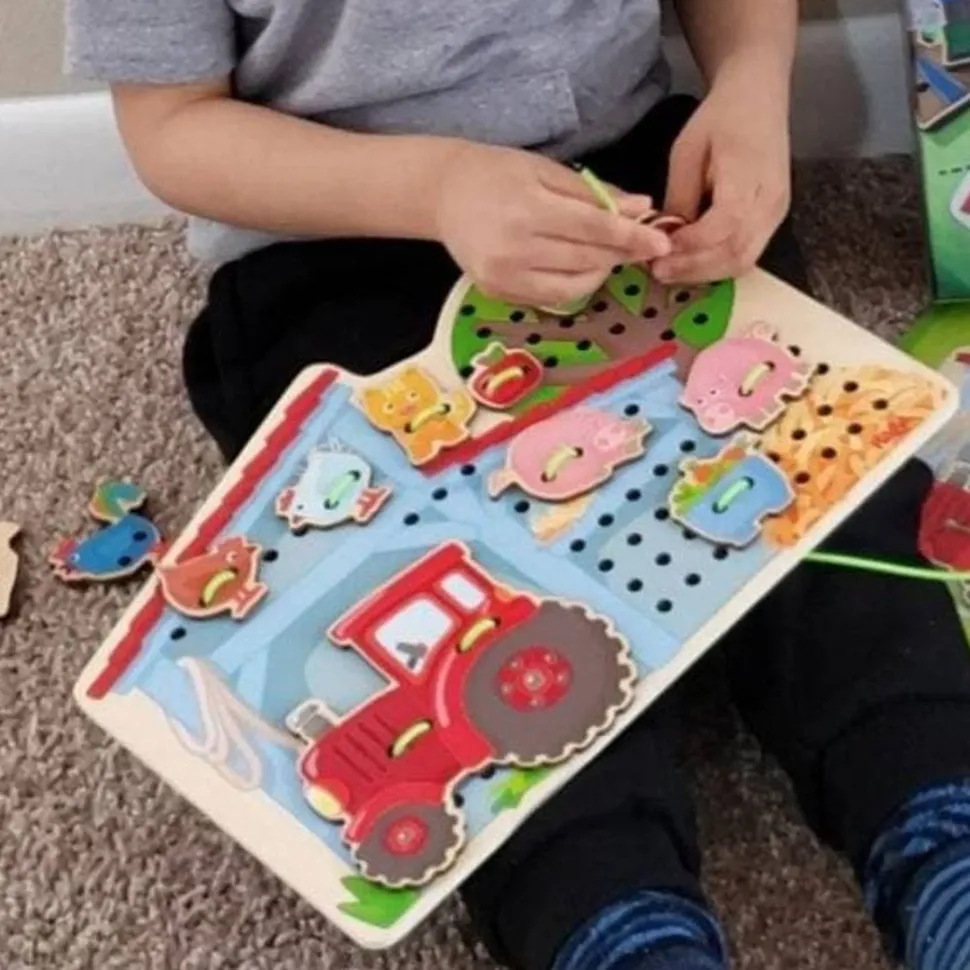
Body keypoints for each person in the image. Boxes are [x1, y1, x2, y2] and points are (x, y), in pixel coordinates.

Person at [66, 1, 970, 968]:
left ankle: (943, 835)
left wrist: (751, 83)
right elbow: (170, 126)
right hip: (330, 247)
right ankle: (622, 932)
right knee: (467, 631)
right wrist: (437, 187)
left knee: (817, 514)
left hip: (634, 193)